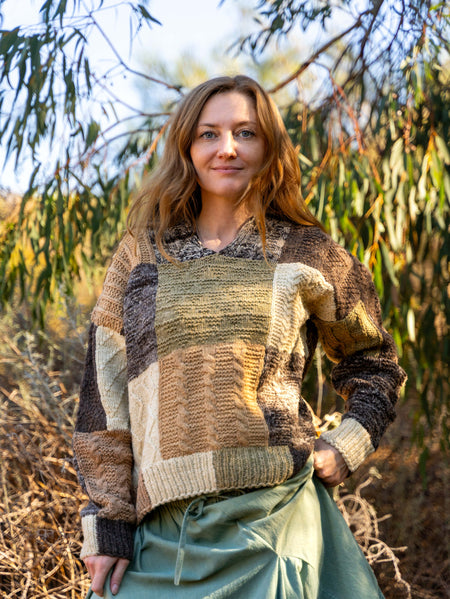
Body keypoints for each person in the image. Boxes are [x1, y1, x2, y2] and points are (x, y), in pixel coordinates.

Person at [73, 75, 406, 599]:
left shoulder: (307, 251)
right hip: (159, 537)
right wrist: (108, 522)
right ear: (187, 148)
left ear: (269, 147)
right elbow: (103, 398)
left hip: (274, 526)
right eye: (209, 134)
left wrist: (346, 446)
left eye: (245, 133)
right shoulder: (141, 253)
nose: (227, 148)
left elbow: (375, 362)